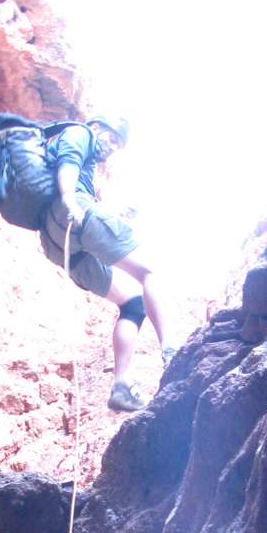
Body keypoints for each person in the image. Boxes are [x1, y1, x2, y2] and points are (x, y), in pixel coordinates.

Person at [37, 115, 173, 412]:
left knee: (134, 304)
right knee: (150, 272)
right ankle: (172, 351)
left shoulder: (61, 146)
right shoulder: (81, 132)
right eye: (111, 139)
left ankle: (121, 387)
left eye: (117, 146)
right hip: (73, 211)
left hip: (59, 244)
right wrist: (69, 198)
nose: (111, 148)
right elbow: (69, 162)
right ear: (97, 127)